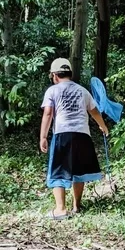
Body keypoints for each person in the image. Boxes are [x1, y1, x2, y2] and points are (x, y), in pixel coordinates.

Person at [40, 58, 110, 220]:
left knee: (58, 170)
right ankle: (76, 206)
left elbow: (48, 113)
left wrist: (43, 136)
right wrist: (103, 126)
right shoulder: (82, 91)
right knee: (79, 171)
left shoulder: (53, 91)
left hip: (62, 135)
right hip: (82, 135)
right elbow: (94, 111)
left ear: (55, 76)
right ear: (69, 74)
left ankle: (60, 209)